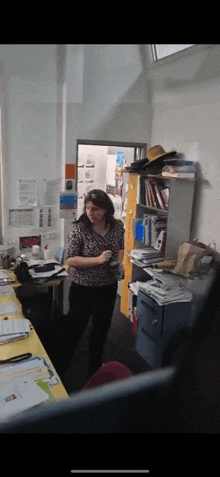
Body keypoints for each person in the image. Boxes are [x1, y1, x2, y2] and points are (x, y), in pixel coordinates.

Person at [65, 189, 125, 377]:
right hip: (82, 288)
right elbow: (71, 260)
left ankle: (95, 367)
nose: (90, 213)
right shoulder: (80, 228)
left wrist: (118, 264)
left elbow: (120, 249)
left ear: (106, 209)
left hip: (107, 288)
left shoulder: (117, 226)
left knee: (101, 329)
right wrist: (98, 260)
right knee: (75, 330)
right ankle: (63, 367)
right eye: (88, 208)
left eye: (96, 209)